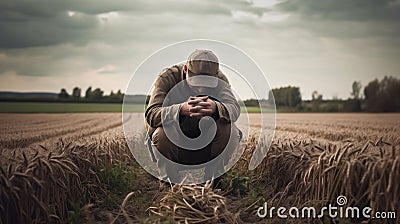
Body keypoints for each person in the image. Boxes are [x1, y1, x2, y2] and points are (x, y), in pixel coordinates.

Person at [145, 49, 241, 185]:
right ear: (185, 70)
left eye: (207, 84)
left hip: (205, 145)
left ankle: (213, 180)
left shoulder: (221, 79)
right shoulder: (167, 78)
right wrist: (180, 110)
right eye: (196, 82)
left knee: (231, 131)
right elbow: (151, 114)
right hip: (173, 145)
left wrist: (216, 108)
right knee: (162, 133)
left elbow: (234, 109)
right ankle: (169, 182)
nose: (201, 90)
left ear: (216, 75)